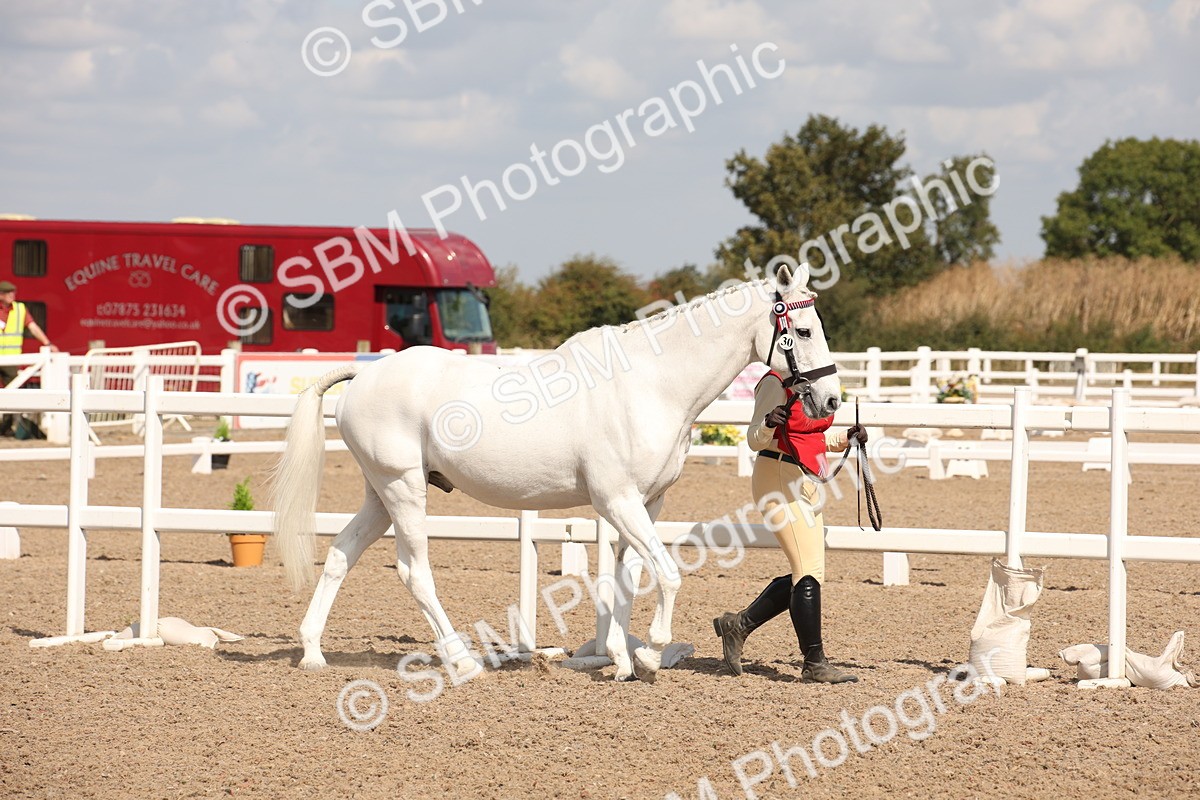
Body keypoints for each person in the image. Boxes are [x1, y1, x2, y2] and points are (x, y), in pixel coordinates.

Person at [712, 369, 867, 683]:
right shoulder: (773, 383)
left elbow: (811, 438)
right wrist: (769, 423)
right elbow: (754, 438)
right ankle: (814, 661)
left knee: (807, 569)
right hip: (776, 477)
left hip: (802, 479)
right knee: (807, 569)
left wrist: (847, 438)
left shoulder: (809, 384)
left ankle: (738, 625)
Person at [0, 280, 58, 437]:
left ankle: (5, 426)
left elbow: (33, 327)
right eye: (9, 293)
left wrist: (48, 343)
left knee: (11, 394)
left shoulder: (20, 309)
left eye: (13, 292)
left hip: (11, 360)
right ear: (1, 295)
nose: (13, 295)